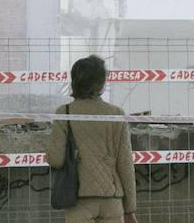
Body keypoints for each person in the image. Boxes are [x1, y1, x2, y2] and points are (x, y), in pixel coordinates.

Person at [47, 56, 139, 223]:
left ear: (75, 80)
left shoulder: (64, 113)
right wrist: (130, 209)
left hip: (78, 198)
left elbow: (56, 160)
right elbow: (125, 164)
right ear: (101, 83)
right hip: (112, 197)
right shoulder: (117, 114)